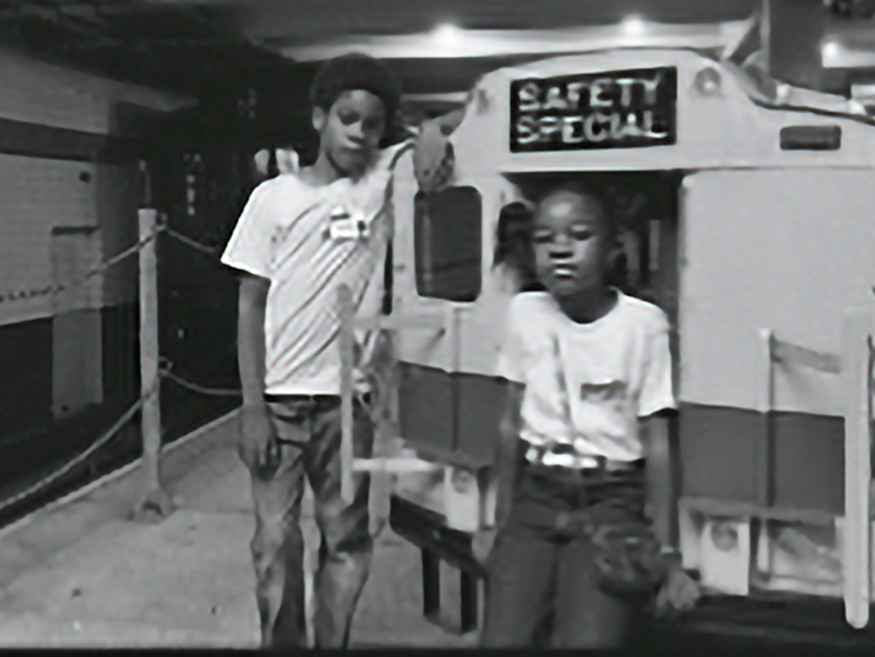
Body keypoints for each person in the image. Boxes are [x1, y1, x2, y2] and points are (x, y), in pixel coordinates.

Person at [220, 53, 457, 649]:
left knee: (345, 539)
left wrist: (426, 129)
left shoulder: (381, 180)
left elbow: (469, 115)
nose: (359, 131)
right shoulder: (272, 199)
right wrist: (251, 407)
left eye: (373, 123)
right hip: (278, 404)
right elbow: (250, 305)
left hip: (349, 407)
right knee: (274, 542)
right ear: (319, 118)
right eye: (347, 117)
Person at [476, 180, 700, 648]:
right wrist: (494, 524)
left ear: (613, 246)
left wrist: (667, 551)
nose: (560, 250)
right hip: (535, 500)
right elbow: (508, 423)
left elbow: (658, 441)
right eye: (544, 238)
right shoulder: (524, 312)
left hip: (611, 503)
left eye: (579, 235)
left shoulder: (643, 324)